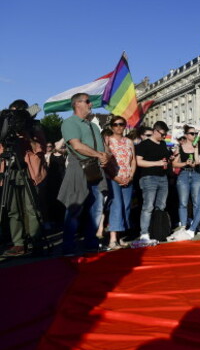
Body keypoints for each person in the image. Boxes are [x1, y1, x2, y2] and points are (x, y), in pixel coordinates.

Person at [59, 93, 110, 255]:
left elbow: (103, 148)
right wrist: (99, 155)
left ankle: (91, 243)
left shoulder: (93, 126)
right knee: (75, 208)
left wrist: (106, 157)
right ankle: (68, 246)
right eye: (87, 101)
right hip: (79, 167)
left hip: (96, 168)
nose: (91, 104)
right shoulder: (69, 122)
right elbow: (77, 145)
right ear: (77, 104)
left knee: (96, 208)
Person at [0, 99, 48, 256]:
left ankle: (36, 241)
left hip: (29, 170)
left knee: (31, 207)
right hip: (11, 169)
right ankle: (18, 243)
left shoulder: (34, 126)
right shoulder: (5, 126)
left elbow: (41, 149)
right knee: (12, 208)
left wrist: (28, 136)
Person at [135, 120, 172, 242]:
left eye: (165, 134)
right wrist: (157, 163)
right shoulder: (144, 145)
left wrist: (171, 158)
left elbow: (165, 159)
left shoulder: (162, 144)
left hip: (163, 178)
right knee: (148, 206)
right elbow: (138, 161)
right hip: (149, 178)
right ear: (155, 131)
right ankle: (144, 233)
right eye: (162, 134)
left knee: (161, 206)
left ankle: (158, 231)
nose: (164, 136)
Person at [104, 115, 136, 250]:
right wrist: (115, 177)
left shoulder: (129, 142)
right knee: (116, 206)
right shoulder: (107, 141)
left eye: (121, 124)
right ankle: (112, 239)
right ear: (111, 126)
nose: (119, 127)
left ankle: (119, 236)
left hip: (127, 177)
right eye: (116, 124)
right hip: (113, 178)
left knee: (126, 207)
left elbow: (133, 159)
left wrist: (131, 175)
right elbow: (105, 161)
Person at [172, 125, 200, 231]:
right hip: (184, 174)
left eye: (196, 134)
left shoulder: (198, 146)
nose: (195, 135)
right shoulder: (180, 147)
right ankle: (183, 225)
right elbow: (174, 164)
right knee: (183, 202)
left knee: (196, 201)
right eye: (192, 133)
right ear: (186, 135)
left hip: (196, 174)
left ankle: (196, 225)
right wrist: (185, 163)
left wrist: (196, 159)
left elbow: (199, 161)